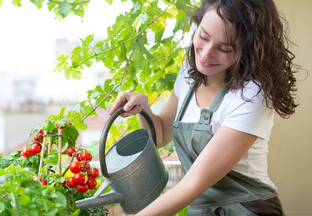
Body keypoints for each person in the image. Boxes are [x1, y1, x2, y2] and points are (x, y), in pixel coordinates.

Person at [108, 0, 299, 215]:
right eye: (204, 36)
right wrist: (144, 108)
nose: (206, 54)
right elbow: (160, 135)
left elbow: (192, 185)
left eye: (224, 48)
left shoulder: (251, 95)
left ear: (247, 49)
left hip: (247, 209)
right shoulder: (189, 73)